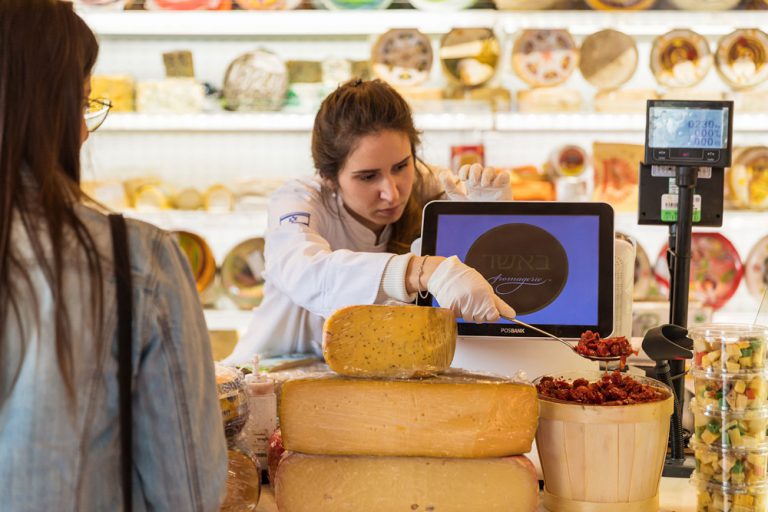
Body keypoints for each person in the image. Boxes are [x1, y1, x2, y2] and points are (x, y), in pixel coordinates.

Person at [0, 2, 226, 510]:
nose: (82, 130)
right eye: (80, 104)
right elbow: (186, 494)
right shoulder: (139, 261)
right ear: (51, 112)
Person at [226, 78, 516, 363]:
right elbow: (304, 271)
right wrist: (424, 270)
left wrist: (490, 221)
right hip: (273, 372)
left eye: (401, 166)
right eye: (367, 176)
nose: (391, 193)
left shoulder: (431, 186)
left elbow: (486, 288)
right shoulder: (299, 199)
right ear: (328, 177)